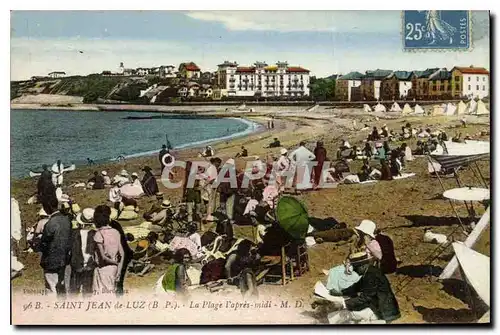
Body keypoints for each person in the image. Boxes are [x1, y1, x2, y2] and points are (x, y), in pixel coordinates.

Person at [326, 251, 401, 324]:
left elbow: (365, 297)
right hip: (376, 306)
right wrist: (341, 292)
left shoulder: (372, 275)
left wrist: (343, 303)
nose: (354, 270)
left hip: (384, 312)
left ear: (363, 266)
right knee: (349, 314)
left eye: (356, 267)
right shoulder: (368, 272)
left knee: (350, 315)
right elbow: (357, 286)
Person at [39, 196, 72, 296]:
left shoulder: (50, 223)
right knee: (62, 287)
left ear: (48, 207)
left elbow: (44, 242)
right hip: (65, 258)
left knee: (51, 288)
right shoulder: (66, 220)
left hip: (51, 259)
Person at [92, 205, 125, 295]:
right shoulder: (116, 232)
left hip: (103, 269)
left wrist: (115, 263)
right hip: (114, 270)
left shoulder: (98, 234)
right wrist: (119, 269)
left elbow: (103, 257)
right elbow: (122, 254)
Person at [106, 207, 134, 295]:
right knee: (120, 277)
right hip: (125, 253)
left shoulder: (110, 228)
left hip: (119, 254)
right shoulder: (116, 224)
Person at [70, 208, 97, 296]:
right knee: (87, 289)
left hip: (77, 264)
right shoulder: (95, 234)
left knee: (74, 290)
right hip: (90, 264)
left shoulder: (74, 233)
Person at [204, 157, 221, 222]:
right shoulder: (211, 168)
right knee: (210, 203)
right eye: (218, 163)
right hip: (209, 187)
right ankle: (208, 216)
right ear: (215, 162)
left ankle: (209, 215)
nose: (219, 165)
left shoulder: (213, 168)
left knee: (211, 203)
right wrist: (212, 181)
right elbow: (207, 178)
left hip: (212, 187)